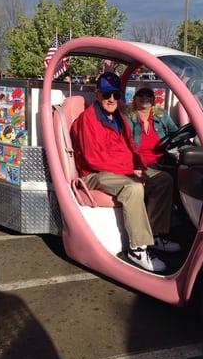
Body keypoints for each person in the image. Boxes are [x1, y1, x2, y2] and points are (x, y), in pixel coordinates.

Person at [71, 72, 179, 273]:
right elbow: (93, 159)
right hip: (94, 174)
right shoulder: (89, 120)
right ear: (97, 94)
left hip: (118, 171)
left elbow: (131, 147)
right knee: (133, 188)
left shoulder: (118, 118)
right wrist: (131, 171)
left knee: (163, 180)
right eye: (106, 94)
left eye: (115, 95)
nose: (111, 99)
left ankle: (154, 235)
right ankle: (137, 248)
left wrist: (139, 166)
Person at [126, 87, 178, 168]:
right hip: (137, 164)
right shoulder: (128, 117)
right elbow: (126, 140)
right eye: (141, 95)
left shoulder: (162, 115)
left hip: (162, 162)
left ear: (153, 99)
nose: (144, 97)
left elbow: (176, 133)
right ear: (134, 98)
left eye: (148, 95)